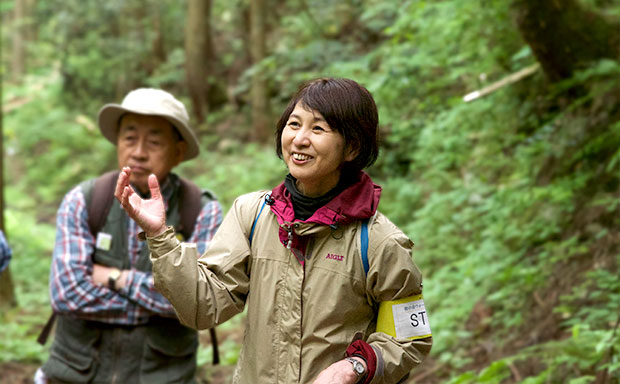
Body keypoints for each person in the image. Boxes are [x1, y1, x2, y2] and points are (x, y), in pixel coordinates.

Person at [116, 78, 433, 384]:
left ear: (352, 148)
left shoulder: (379, 242)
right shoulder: (253, 215)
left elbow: (409, 340)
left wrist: (355, 366)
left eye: (318, 128)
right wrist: (160, 236)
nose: (299, 139)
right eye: (294, 125)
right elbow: (202, 306)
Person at [39, 88, 223, 384]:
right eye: (129, 138)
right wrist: (161, 301)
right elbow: (67, 294)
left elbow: (199, 303)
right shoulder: (84, 200)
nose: (138, 151)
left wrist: (115, 278)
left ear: (178, 152)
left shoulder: (202, 210)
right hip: (75, 374)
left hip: (164, 376)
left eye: (154, 141)